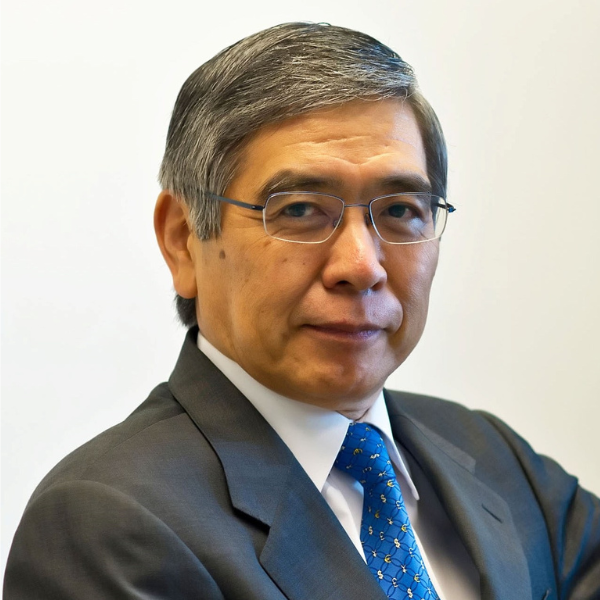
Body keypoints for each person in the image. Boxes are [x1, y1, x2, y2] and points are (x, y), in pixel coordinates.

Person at [4, 22, 599, 600]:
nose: (361, 266)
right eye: (299, 210)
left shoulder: (497, 459)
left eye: (399, 211)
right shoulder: (108, 523)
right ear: (184, 240)